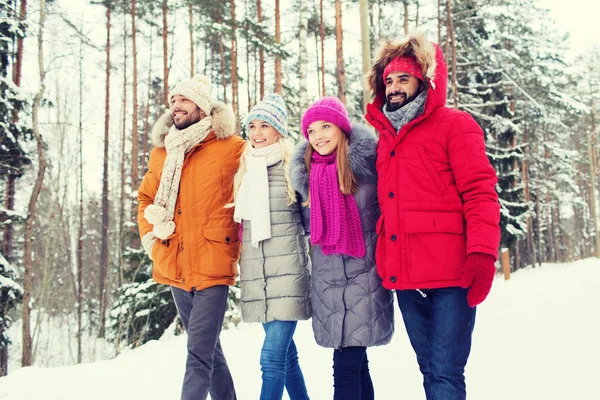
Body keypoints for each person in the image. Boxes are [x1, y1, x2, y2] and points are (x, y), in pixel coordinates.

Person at [364, 32, 501, 400]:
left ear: (423, 81)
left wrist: (483, 254)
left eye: (403, 79)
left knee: (444, 372)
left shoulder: (455, 125)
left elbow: (480, 192)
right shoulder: (384, 139)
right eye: (388, 80)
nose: (393, 87)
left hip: (451, 275)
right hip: (406, 277)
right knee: (429, 369)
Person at [137, 74, 244, 400]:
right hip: (175, 262)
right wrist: (151, 242)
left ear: (202, 105)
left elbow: (259, 181)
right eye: (173, 100)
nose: (176, 106)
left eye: (184, 100)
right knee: (209, 350)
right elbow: (145, 199)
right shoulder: (162, 152)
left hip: (213, 262)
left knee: (198, 353)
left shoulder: (231, 148)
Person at [290, 96, 394, 400]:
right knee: (358, 366)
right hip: (327, 284)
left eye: (326, 126)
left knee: (346, 367)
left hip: (365, 279)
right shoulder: (305, 180)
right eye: (311, 130)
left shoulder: (369, 171)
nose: (319, 136)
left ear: (342, 128)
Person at [229, 94, 311, 400]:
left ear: (279, 130)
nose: (257, 132)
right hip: (256, 278)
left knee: (271, 359)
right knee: (287, 359)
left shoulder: (295, 169)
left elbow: (313, 225)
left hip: (288, 276)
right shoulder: (244, 171)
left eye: (265, 125)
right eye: (252, 126)